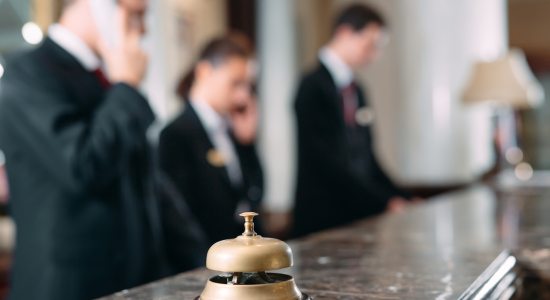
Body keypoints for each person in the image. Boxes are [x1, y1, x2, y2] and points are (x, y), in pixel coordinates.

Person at [0, 0, 207, 299]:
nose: (144, 28)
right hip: (70, 288)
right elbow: (83, 165)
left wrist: (200, 259)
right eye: (136, 15)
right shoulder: (26, 74)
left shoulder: (106, 77)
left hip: (134, 280)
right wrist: (127, 86)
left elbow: (146, 181)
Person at [292, 4, 416, 238]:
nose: (374, 55)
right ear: (345, 33)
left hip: (357, 217)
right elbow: (326, 161)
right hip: (323, 220)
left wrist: (401, 196)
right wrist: (383, 201)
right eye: (370, 45)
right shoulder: (312, 86)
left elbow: (367, 158)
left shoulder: (357, 90)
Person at [159, 37, 263, 244]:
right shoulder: (175, 134)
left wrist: (248, 144)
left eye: (247, 86)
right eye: (235, 83)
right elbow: (180, 217)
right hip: (207, 258)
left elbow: (253, 195)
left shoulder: (233, 128)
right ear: (204, 72)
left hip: (242, 251)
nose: (243, 97)